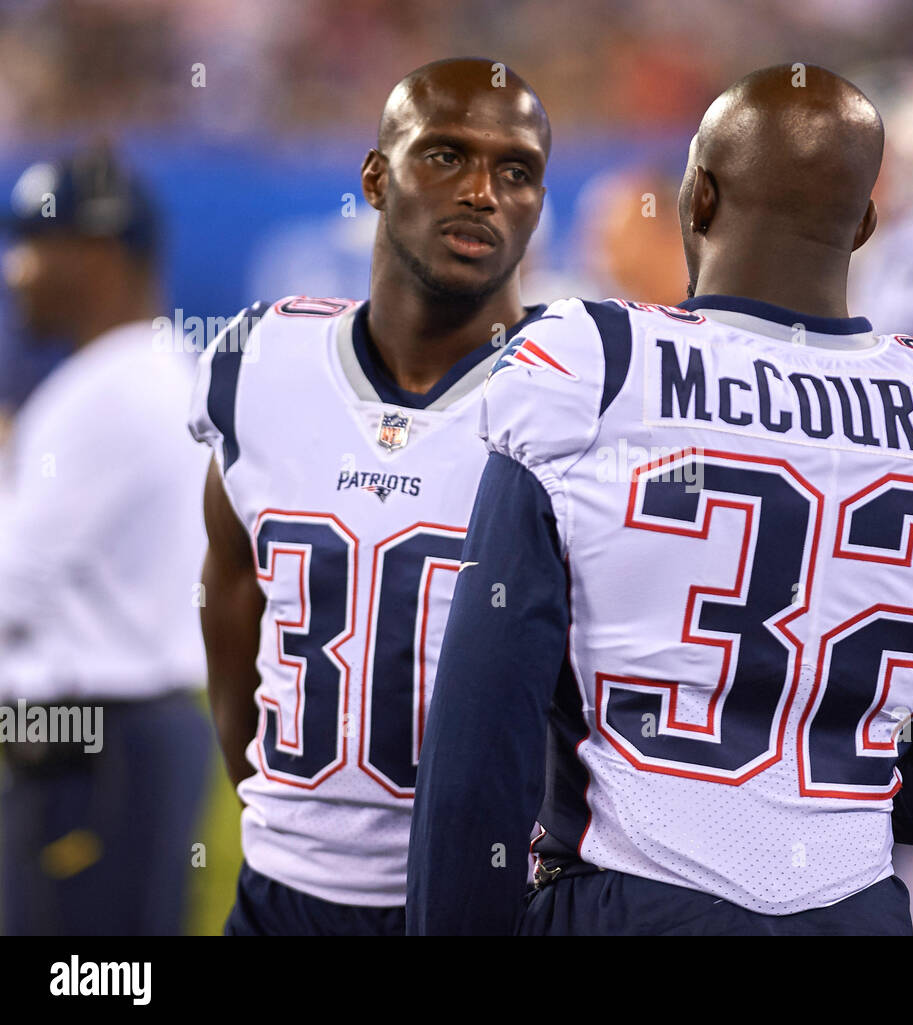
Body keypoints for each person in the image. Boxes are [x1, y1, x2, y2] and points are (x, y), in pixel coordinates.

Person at [407, 63, 913, 936]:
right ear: (863, 224)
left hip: (627, 899)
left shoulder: (595, 363)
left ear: (699, 198)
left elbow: (479, 758)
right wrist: (820, 777)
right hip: (855, 913)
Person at [189, 58, 550, 936]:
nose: (482, 192)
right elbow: (234, 588)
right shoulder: (260, 362)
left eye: (517, 171)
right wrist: (269, 799)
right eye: (446, 156)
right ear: (376, 178)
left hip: (483, 899)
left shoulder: (573, 388)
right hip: (279, 890)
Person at [0, 146, 212, 934]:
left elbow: (10, 588)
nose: (15, 270)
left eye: (30, 246)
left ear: (95, 253)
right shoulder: (151, 369)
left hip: (90, 743)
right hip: (116, 735)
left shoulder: (105, 390)